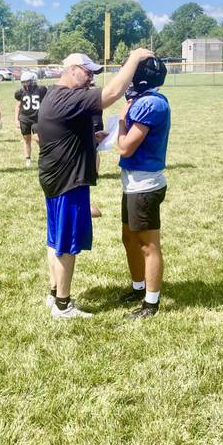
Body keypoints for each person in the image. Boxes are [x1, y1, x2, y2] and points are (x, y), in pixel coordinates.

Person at [38, 49, 152, 319]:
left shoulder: (55, 95)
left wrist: (92, 137)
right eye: (87, 72)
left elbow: (62, 134)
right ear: (71, 69)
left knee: (55, 239)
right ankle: (63, 306)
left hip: (55, 177)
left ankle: (54, 294)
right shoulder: (67, 96)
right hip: (68, 181)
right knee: (66, 244)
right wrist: (133, 59)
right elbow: (111, 94)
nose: (91, 78)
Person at [117, 58, 171, 319]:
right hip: (133, 181)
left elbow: (126, 146)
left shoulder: (150, 103)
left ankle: (151, 303)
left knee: (147, 244)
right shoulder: (144, 100)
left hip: (145, 184)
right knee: (129, 238)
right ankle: (139, 287)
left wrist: (119, 123)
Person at [14, 71, 47, 167]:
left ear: (33, 81)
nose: (25, 84)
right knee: (26, 139)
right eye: (23, 82)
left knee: (38, 138)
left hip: (37, 118)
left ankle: (44, 156)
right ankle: (28, 158)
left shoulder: (41, 90)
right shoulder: (20, 92)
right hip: (25, 118)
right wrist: (16, 119)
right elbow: (18, 106)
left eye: (27, 82)